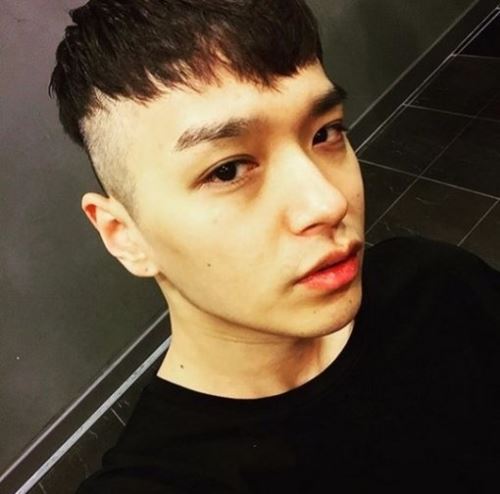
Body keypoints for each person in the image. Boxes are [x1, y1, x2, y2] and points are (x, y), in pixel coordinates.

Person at [49, 1, 500, 492]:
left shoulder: (438, 286)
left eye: (325, 133)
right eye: (228, 170)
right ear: (125, 236)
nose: (327, 203)